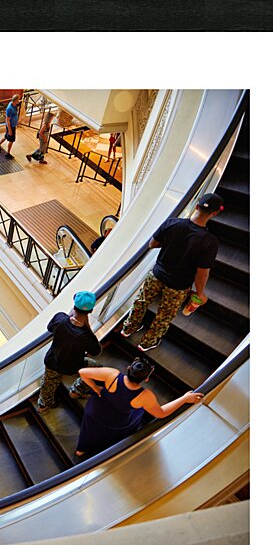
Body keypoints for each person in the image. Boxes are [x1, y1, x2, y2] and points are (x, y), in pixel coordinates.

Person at [120, 193, 223, 351]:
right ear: (214, 213)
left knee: (141, 302)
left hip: (156, 275)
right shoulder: (210, 242)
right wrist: (200, 292)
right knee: (164, 315)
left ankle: (128, 328)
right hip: (178, 285)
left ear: (196, 206)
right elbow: (202, 272)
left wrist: (172, 244)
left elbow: (152, 244)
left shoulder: (172, 222)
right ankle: (147, 342)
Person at [75, 358, 204, 458]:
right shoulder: (144, 396)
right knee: (135, 416)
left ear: (128, 368)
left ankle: (81, 450)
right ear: (146, 379)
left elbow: (82, 372)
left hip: (95, 411)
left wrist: (95, 388)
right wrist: (185, 399)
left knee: (89, 430)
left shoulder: (112, 374)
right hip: (115, 422)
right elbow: (161, 413)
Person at [37, 291, 102, 412]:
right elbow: (96, 351)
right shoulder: (86, 337)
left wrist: (68, 317)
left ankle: (44, 404)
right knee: (96, 368)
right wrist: (87, 328)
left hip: (52, 361)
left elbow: (50, 328)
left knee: (48, 381)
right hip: (72, 367)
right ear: (90, 311)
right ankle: (77, 391)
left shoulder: (60, 318)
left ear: (74, 306)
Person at [0, 93, 21, 159]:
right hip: (11, 126)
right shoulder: (10, 109)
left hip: (13, 125)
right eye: (18, 100)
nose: (19, 101)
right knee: (11, 140)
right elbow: (7, 120)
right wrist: (10, 130)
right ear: (15, 100)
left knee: (6, 136)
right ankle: (8, 153)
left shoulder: (14, 105)